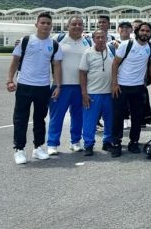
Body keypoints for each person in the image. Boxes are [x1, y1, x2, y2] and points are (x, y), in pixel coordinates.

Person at [7, 12, 63, 164]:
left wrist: (58, 85)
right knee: (20, 119)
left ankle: (38, 148)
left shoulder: (54, 45)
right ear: (36, 24)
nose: (45, 25)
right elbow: (14, 61)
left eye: (48, 23)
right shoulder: (26, 41)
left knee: (40, 119)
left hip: (43, 87)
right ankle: (19, 150)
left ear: (52, 26)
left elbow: (57, 66)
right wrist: (9, 80)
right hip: (24, 85)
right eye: (42, 23)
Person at [47, 15, 91, 155]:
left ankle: (75, 142)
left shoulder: (88, 42)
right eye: (74, 24)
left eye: (80, 24)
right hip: (61, 86)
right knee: (56, 116)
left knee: (78, 116)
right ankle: (52, 144)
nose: (77, 26)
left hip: (81, 86)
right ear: (68, 26)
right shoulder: (57, 40)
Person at [110, 21, 151, 157]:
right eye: (142, 31)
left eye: (147, 31)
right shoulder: (126, 45)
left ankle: (133, 142)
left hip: (139, 87)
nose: (145, 33)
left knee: (137, 117)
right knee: (118, 116)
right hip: (121, 86)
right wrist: (114, 83)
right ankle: (116, 143)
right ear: (137, 32)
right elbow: (115, 64)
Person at [79, 29, 115, 155]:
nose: (100, 39)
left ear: (106, 38)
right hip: (93, 93)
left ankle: (107, 142)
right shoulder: (88, 53)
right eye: (98, 37)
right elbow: (82, 73)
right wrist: (84, 93)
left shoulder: (111, 50)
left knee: (110, 120)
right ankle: (88, 145)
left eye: (103, 37)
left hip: (109, 93)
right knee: (90, 121)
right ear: (93, 39)